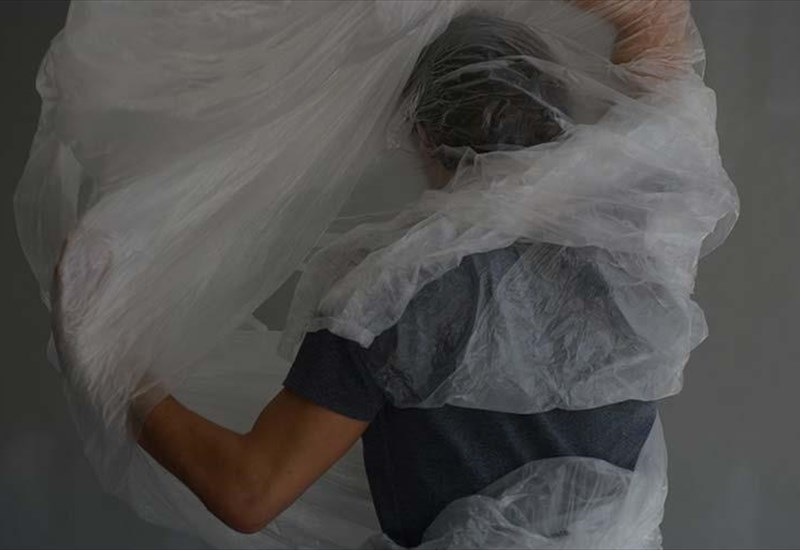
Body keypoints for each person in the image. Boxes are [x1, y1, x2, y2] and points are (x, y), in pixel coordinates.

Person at [50, 0, 694, 546]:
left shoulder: (389, 298)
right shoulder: (636, 246)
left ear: (420, 133)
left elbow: (249, 492)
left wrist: (112, 368)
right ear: (555, 110)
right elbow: (657, 38)